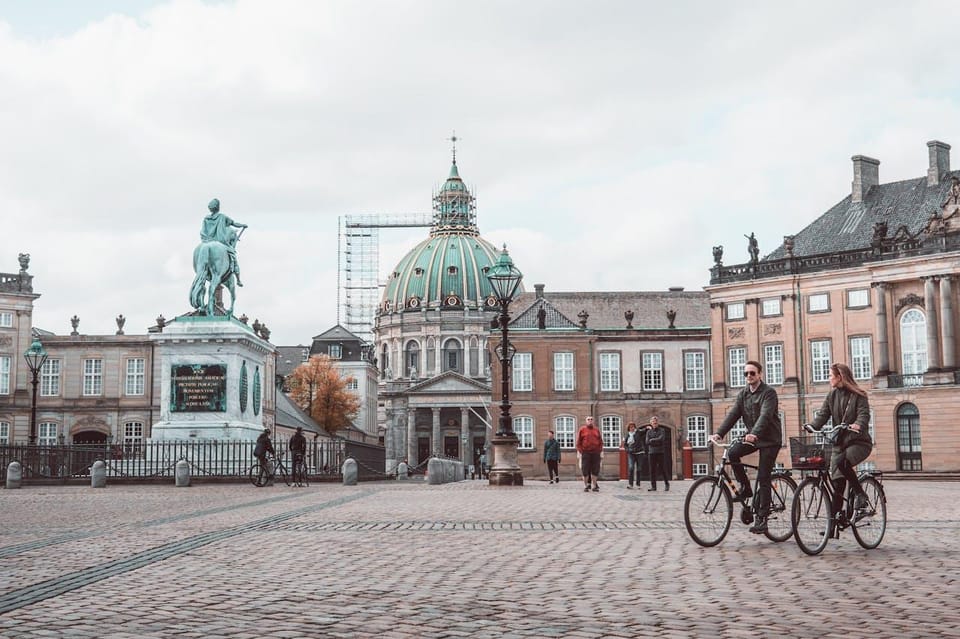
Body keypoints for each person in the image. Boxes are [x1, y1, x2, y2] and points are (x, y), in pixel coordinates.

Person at [710, 360, 781, 534]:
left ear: (760, 375)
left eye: (752, 373)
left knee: (763, 477)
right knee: (733, 453)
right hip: (754, 438)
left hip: (770, 439)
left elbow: (765, 416)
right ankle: (745, 488)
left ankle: (762, 519)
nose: (749, 376)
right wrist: (719, 433)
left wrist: (754, 432)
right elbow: (733, 414)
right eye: (746, 374)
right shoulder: (743, 394)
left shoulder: (769, 393)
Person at [806, 363, 873, 517]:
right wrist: (812, 426)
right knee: (838, 483)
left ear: (840, 377)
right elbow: (823, 415)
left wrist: (858, 424)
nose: (829, 379)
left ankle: (860, 494)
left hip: (859, 442)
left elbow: (864, 414)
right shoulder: (832, 396)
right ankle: (834, 523)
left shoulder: (859, 395)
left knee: (843, 463)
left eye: (830, 376)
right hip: (839, 444)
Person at [200, 198, 248, 286]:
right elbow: (234, 223)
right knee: (233, 256)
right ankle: (238, 279)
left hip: (206, 241)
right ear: (218, 207)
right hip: (221, 242)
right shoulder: (222, 217)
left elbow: (203, 231)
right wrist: (242, 225)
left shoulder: (206, 219)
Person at [576, 416, 603, 492]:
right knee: (585, 469)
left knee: (595, 470)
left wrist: (599, 450)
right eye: (588, 419)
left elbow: (600, 441)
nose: (590, 421)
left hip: (595, 453)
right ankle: (585, 485)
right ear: (586, 421)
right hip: (586, 452)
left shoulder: (596, 430)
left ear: (593, 421)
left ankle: (594, 485)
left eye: (591, 419)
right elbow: (578, 442)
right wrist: (581, 451)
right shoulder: (582, 429)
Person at [645, 417, 670, 491]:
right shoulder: (648, 432)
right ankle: (653, 486)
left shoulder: (662, 430)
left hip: (660, 452)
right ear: (651, 423)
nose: (654, 424)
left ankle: (666, 484)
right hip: (651, 452)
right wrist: (656, 441)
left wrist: (652, 440)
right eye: (653, 422)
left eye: (655, 422)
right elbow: (647, 442)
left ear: (657, 423)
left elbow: (661, 439)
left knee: (662, 469)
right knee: (652, 470)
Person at [622, 422, 644, 488]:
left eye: (633, 427)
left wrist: (647, 427)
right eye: (631, 427)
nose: (632, 428)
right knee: (631, 468)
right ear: (628, 428)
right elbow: (625, 445)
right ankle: (630, 484)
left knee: (639, 468)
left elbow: (643, 431)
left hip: (639, 452)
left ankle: (638, 484)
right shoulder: (627, 435)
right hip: (631, 453)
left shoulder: (638, 433)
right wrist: (628, 450)